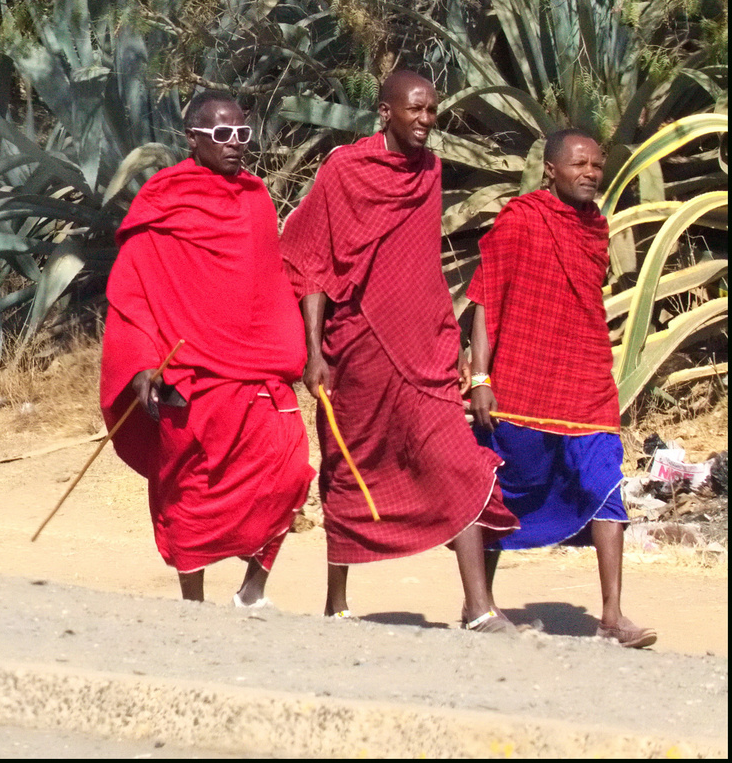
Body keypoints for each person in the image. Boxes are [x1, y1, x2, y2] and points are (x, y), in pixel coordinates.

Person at [279, 70, 520, 632]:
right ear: (385, 112)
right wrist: (315, 352)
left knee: (459, 463)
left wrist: (453, 337)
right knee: (349, 466)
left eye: (433, 110)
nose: (427, 120)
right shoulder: (345, 169)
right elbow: (311, 259)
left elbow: (420, 262)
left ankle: (478, 607)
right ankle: (336, 600)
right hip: (357, 349)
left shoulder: (431, 171)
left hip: (425, 346)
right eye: (416, 109)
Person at [100, 93, 315, 606]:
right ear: (192, 139)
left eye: (242, 133)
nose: (235, 144)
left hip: (258, 371)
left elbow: (265, 283)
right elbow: (133, 289)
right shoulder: (166, 198)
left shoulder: (256, 198)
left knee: (290, 475)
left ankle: (252, 590)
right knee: (191, 492)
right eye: (222, 135)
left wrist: (290, 344)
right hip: (190, 374)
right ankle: (192, 603)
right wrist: (141, 365)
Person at [464, 129, 656, 647]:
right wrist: (480, 377)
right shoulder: (521, 219)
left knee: (604, 481)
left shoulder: (598, 227)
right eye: (579, 163)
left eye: (598, 164)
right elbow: (486, 299)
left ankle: (613, 616)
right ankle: (477, 602)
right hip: (522, 381)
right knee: (503, 493)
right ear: (551, 169)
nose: (591, 172)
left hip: (585, 378)